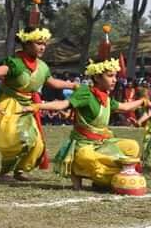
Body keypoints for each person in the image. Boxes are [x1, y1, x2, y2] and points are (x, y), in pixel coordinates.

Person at [0, 27, 77, 181]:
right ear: (26, 44)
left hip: (27, 107)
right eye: (38, 43)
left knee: (37, 144)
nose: (42, 47)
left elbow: (53, 83)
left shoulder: (42, 67)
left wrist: (73, 85)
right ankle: (5, 171)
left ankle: (20, 170)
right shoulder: (15, 63)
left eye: (44, 44)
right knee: (19, 139)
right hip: (8, 106)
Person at [28, 58, 145, 190]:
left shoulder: (105, 97)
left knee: (132, 146)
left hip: (102, 143)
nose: (115, 80)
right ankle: (111, 174)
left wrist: (142, 101)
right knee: (87, 157)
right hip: (84, 146)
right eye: (110, 76)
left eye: (115, 76)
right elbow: (63, 104)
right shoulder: (85, 93)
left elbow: (124, 107)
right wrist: (39, 106)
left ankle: (116, 175)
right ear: (97, 77)